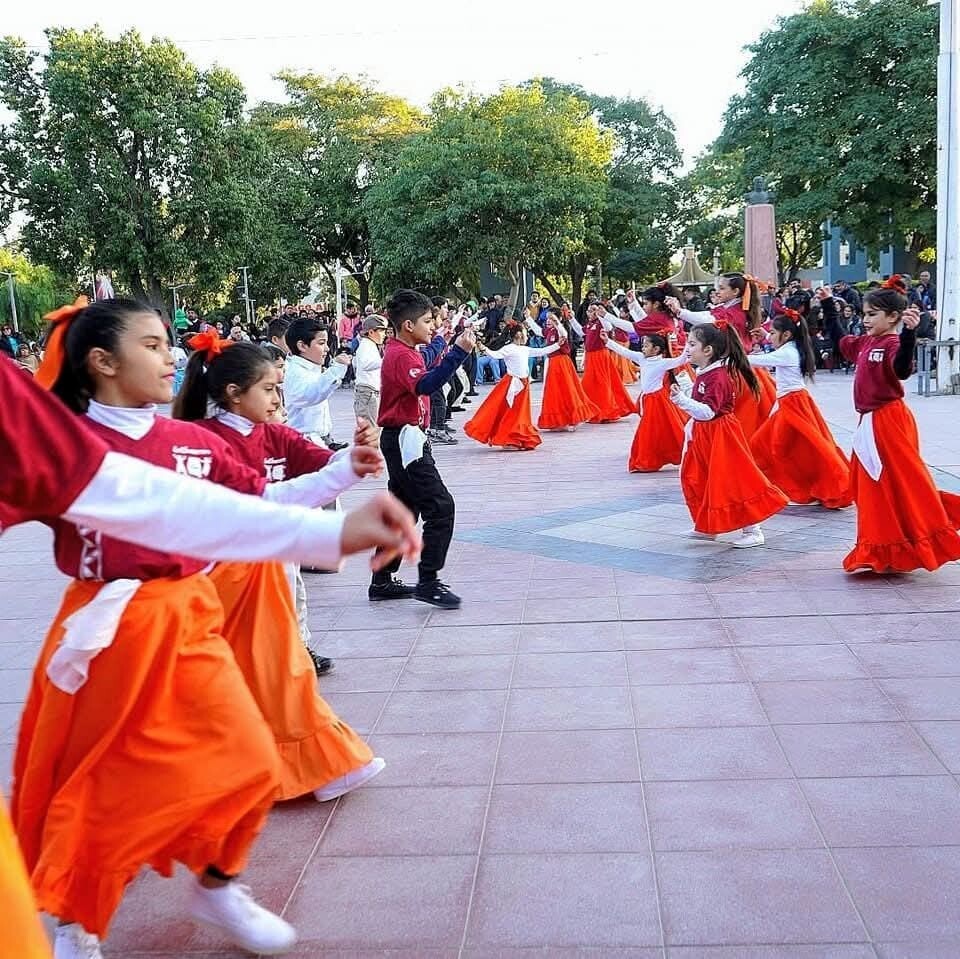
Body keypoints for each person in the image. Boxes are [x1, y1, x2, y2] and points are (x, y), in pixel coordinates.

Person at [15, 298, 421, 959]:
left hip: (187, 614)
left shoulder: (192, 443)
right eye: (151, 344)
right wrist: (335, 528)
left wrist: (344, 476)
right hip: (109, 629)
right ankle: (77, 922)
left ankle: (217, 881)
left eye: (167, 343)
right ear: (102, 361)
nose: (170, 355)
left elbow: (254, 505)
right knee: (105, 785)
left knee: (253, 760)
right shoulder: (65, 443)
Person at [174, 337, 387, 804]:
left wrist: (355, 454)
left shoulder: (276, 434)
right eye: (269, 389)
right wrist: (346, 471)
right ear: (233, 392)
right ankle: (310, 764)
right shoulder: (204, 441)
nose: (278, 400)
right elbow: (253, 508)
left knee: (274, 669)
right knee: (271, 670)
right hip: (225, 577)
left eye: (279, 388)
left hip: (271, 570)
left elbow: (321, 465)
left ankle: (296, 765)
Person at [839, 276, 960, 573]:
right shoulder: (868, 341)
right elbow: (842, 341)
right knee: (874, 486)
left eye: (872, 314)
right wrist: (831, 307)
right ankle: (886, 545)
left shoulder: (892, 343)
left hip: (888, 421)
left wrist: (908, 335)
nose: (865, 320)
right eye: (864, 314)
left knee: (903, 484)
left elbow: (902, 369)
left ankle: (905, 542)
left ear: (893, 317)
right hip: (870, 421)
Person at [371, 289, 475, 609]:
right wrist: (458, 353)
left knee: (403, 513)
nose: (433, 326)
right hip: (404, 440)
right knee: (440, 507)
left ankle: (383, 580)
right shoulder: (400, 355)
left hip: (404, 437)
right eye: (428, 321)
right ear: (407, 325)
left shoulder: (404, 349)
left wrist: (446, 342)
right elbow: (425, 384)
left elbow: (427, 368)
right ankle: (428, 581)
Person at [669, 321, 788, 548]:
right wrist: (684, 390)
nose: (687, 348)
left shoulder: (718, 377)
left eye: (692, 344)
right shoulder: (706, 371)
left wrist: (681, 400)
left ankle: (753, 529)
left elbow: (708, 412)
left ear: (708, 350)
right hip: (706, 434)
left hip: (721, 435)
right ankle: (708, 526)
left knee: (733, 479)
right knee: (700, 478)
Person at [747, 308, 852, 509]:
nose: (771, 337)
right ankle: (790, 488)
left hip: (793, 404)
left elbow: (758, 360)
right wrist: (766, 336)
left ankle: (801, 489)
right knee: (767, 443)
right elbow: (772, 349)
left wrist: (729, 355)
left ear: (786, 335)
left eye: (774, 333)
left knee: (785, 447)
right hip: (789, 403)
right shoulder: (792, 347)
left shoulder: (787, 352)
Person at [668, 273, 776, 439]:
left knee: (737, 420)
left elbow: (708, 319)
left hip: (735, 371)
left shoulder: (734, 313)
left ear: (735, 292)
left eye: (722, 288)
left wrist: (680, 311)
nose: (717, 291)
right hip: (736, 368)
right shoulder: (730, 309)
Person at [602, 330, 689, 472]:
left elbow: (681, 360)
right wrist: (608, 342)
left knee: (651, 429)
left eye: (646, 346)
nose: (643, 348)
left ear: (656, 349)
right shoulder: (642, 358)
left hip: (658, 401)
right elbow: (624, 352)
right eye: (643, 345)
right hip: (648, 399)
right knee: (656, 429)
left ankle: (646, 460)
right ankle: (649, 458)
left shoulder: (663, 362)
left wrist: (687, 345)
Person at [465, 320, 560, 450]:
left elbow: (541, 351)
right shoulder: (509, 348)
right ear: (520, 334)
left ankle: (517, 436)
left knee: (520, 412)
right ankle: (508, 438)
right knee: (512, 411)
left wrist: (557, 346)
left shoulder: (525, 349)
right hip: (513, 384)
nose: (527, 336)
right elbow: (496, 355)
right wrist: (484, 348)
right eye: (526, 333)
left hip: (524, 384)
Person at [284, 317, 351, 451]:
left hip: (320, 439)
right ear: (302, 346)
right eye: (321, 343)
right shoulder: (294, 372)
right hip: (304, 444)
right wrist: (336, 369)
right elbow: (310, 395)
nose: (326, 349)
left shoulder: (311, 368)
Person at [536, 307, 599, 432]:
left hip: (562, 363)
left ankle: (572, 418)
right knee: (554, 392)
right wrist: (528, 318)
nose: (549, 321)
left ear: (559, 318)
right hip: (552, 363)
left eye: (552, 318)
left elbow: (564, 333)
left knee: (567, 391)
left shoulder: (561, 330)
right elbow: (538, 331)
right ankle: (557, 421)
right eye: (547, 318)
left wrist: (557, 323)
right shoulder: (549, 331)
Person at [580, 304, 636, 422]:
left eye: (593, 310)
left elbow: (609, 327)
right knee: (589, 384)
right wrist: (571, 319)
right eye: (589, 310)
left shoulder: (601, 323)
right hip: (590, 357)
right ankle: (593, 411)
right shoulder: (589, 324)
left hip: (600, 356)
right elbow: (581, 332)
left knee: (602, 384)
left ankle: (607, 412)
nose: (591, 313)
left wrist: (600, 315)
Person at [354, 313, 389, 433]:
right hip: (367, 393)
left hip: (371, 392)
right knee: (370, 430)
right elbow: (365, 364)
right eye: (381, 331)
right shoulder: (365, 345)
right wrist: (386, 361)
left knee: (374, 429)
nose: (384, 334)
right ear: (371, 332)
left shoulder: (370, 345)